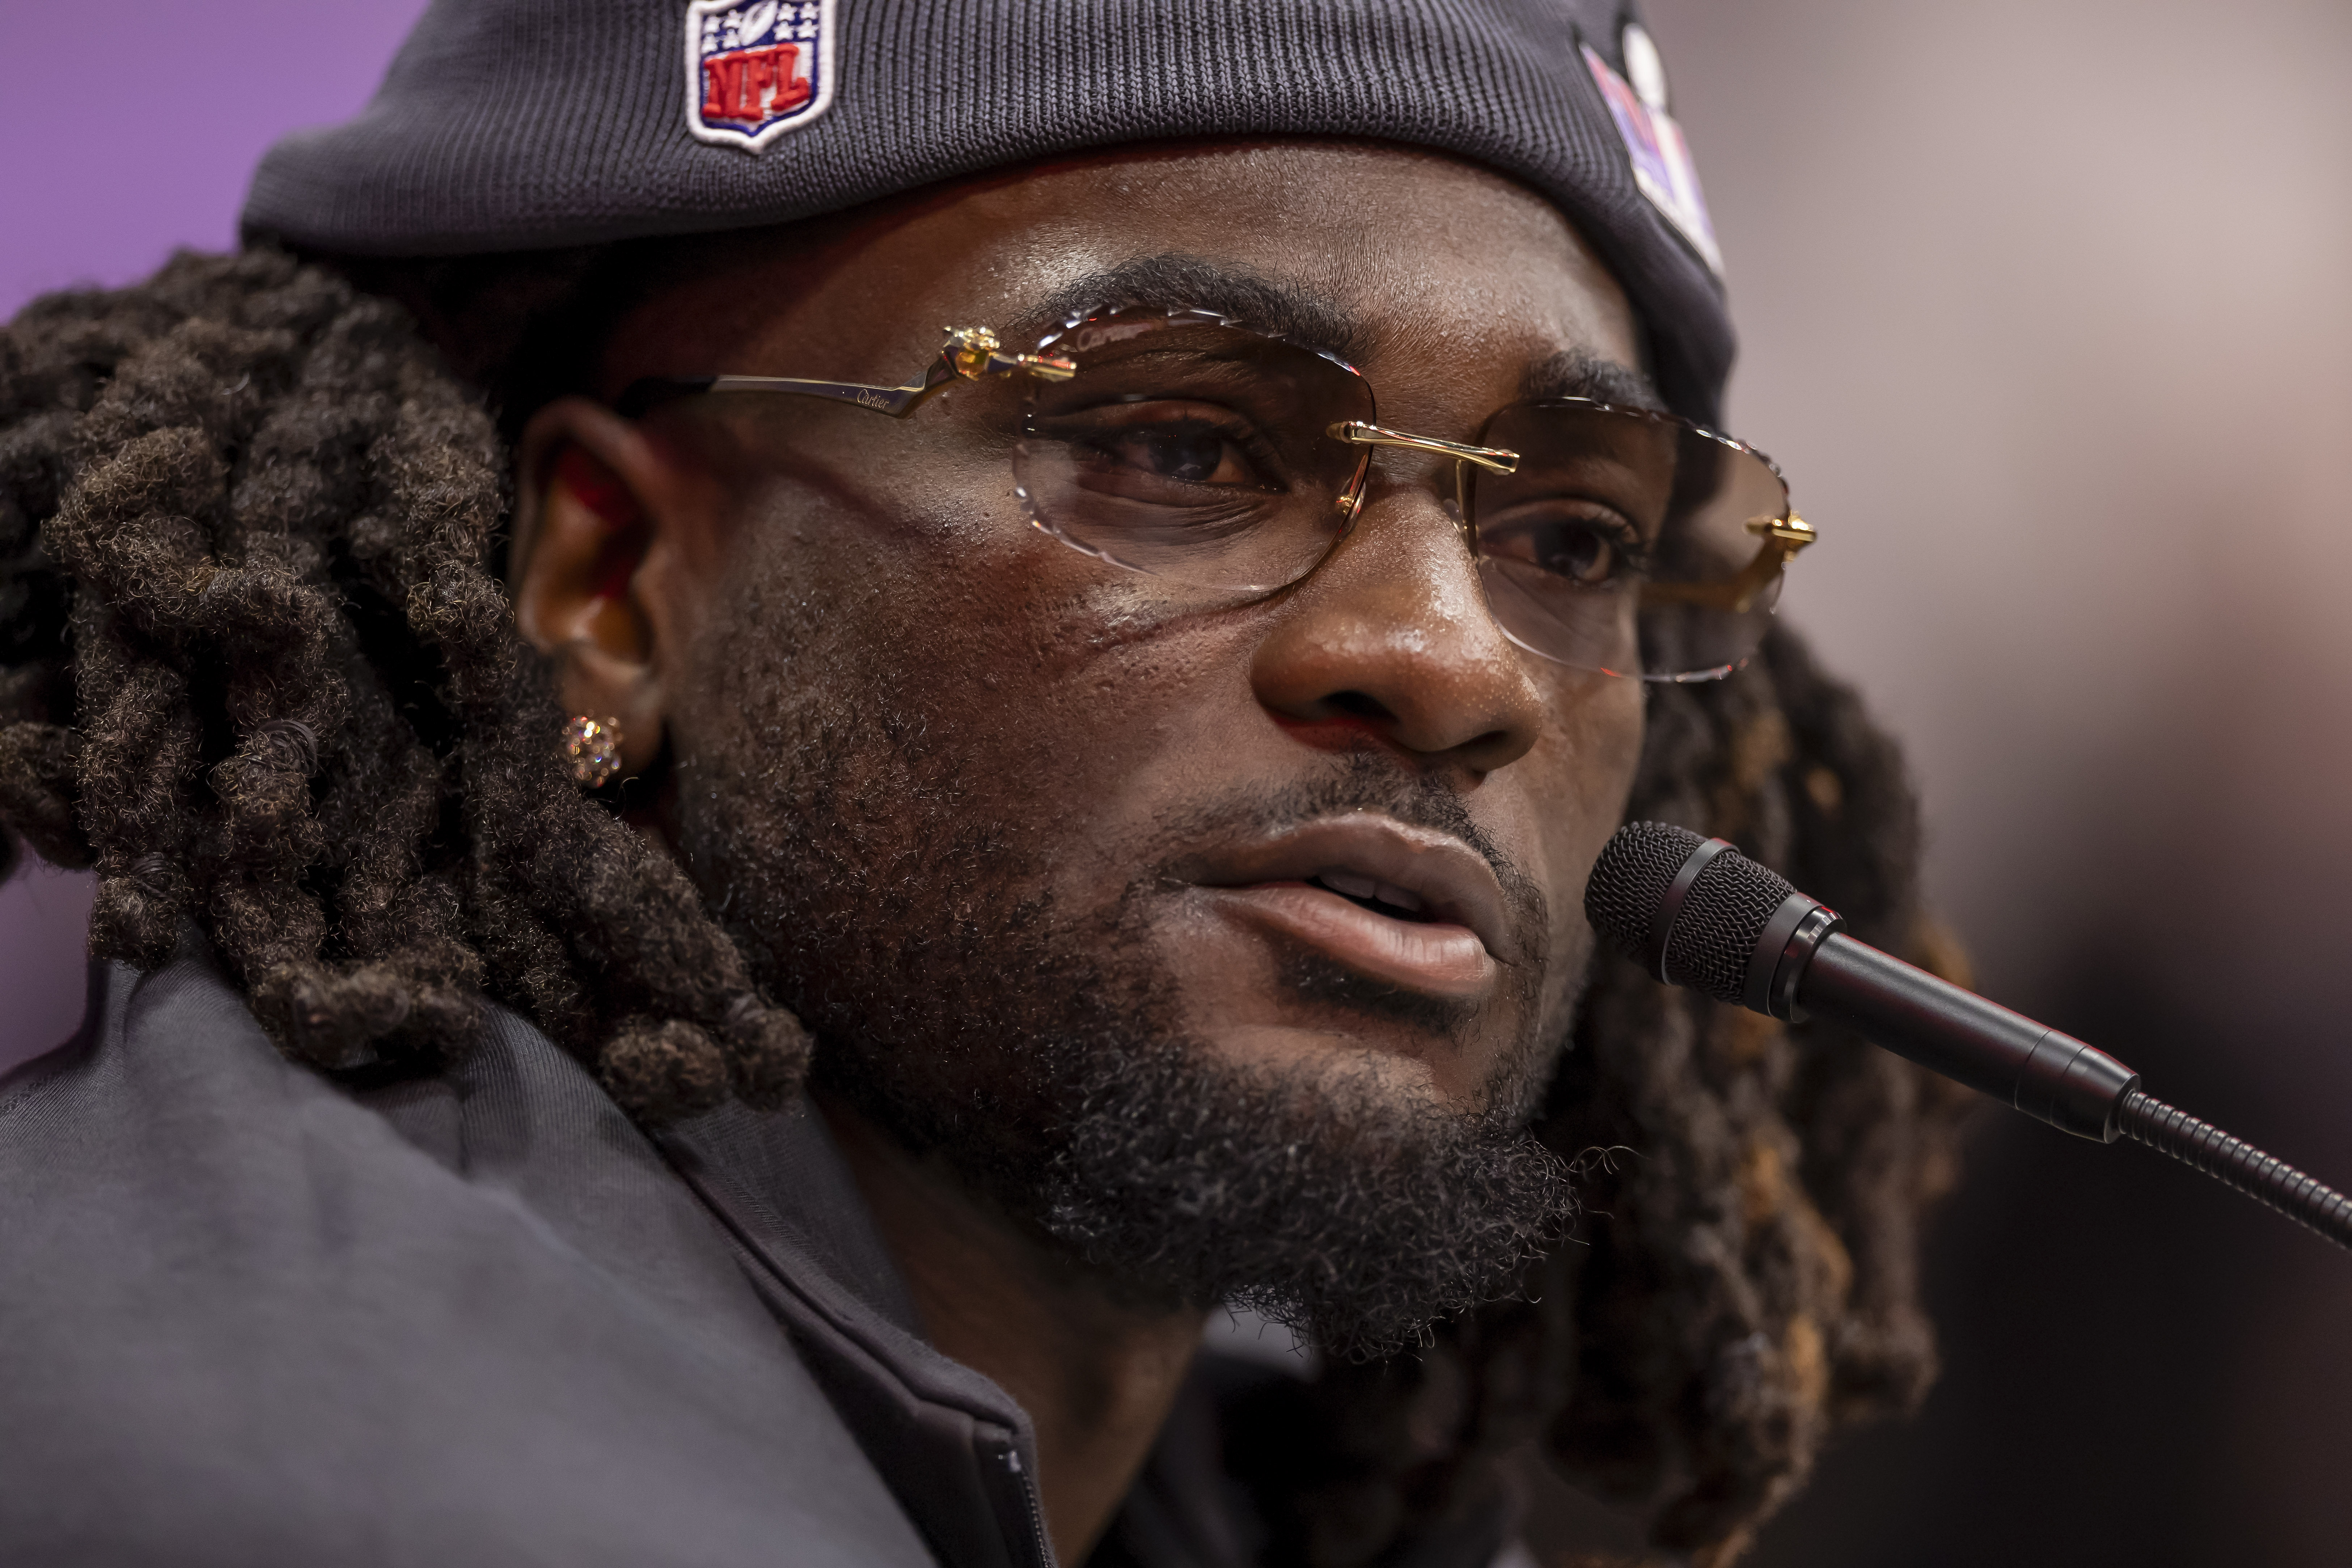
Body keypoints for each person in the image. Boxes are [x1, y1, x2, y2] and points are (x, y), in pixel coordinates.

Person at [0, 3, 1971, 1564]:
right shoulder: (298, 1481)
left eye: (1563, 534)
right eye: (1180, 450)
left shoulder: (1224, 1465)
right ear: (605, 583)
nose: (1449, 663)